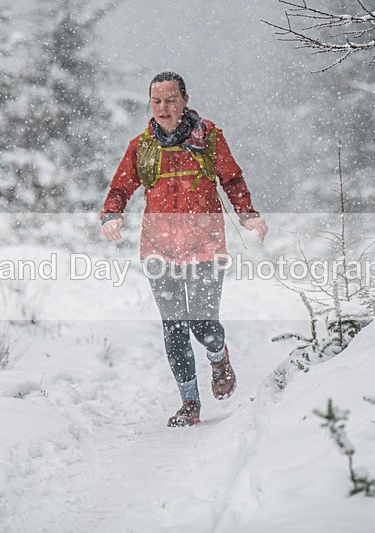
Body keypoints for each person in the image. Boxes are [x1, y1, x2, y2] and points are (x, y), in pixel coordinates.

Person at [100, 72, 268, 427]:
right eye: (157, 101)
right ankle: (189, 402)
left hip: (205, 246)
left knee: (204, 323)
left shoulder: (209, 140)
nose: (164, 108)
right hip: (158, 250)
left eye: (170, 100)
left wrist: (248, 215)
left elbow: (233, 179)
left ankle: (218, 355)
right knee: (174, 326)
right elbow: (120, 187)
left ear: (185, 100)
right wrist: (111, 215)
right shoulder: (141, 146)